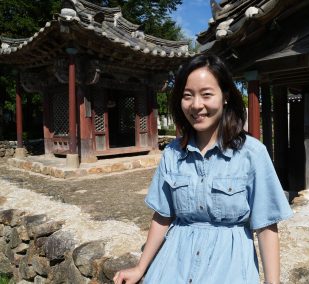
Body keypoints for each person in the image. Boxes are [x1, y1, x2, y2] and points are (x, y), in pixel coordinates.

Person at [113, 54, 293, 284]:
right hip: (173, 265)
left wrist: (272, 282)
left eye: (206, 94)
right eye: (188, 96)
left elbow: (266, 225)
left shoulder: (252, 154)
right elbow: (162, 215)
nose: (196, 105)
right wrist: (140, 268)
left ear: (225, 97)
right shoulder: (172, 153)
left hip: (229, 266)